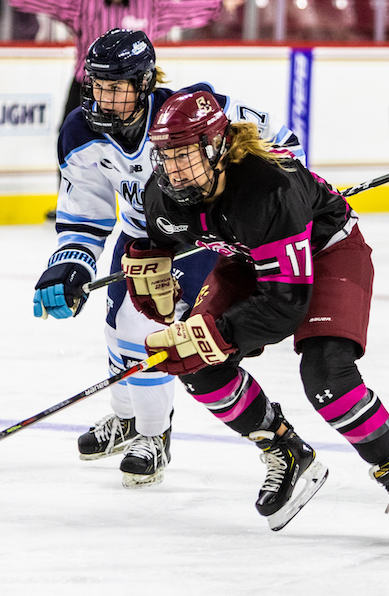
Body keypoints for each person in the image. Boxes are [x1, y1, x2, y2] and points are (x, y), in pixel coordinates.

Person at [120, 90, 389, 546]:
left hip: (329, 250)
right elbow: (156, 239)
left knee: (325, 373)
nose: (174, 169)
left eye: (185, 155)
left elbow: (284, 305)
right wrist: (146, 262)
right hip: (248, 259)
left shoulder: (269, 187)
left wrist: (217, 332)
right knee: (198, 365)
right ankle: (285, 451)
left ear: (216, 147)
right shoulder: (165, 194)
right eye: (166, 156)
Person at [32, 29, 301, 490]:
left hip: (198, 234)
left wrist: (283, 199)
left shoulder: (189, 111)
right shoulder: (79, 130)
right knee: (117, 327)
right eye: (98, 86)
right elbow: (86, 212)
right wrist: (71, 265)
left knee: (152, 330)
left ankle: (154, 436)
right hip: (142, 236)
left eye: (116, 87)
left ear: (144, 83)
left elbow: (282, 145)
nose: (104, 98)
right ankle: (125, 419)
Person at [0, 0, 244, 127]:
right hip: (86, 88)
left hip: (130, 90)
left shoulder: (148, 7)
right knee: (70, 138)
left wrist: (219, 6)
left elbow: (181, 10)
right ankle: (68, 198)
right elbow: (51, 0)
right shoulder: (84, 4)